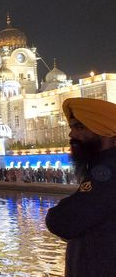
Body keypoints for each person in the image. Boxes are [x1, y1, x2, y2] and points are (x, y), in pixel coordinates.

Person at [45, 98, 116, 276]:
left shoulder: (108, 171)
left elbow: (62, 221)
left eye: (80, 127)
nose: (71, 134)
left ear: (104, 131)